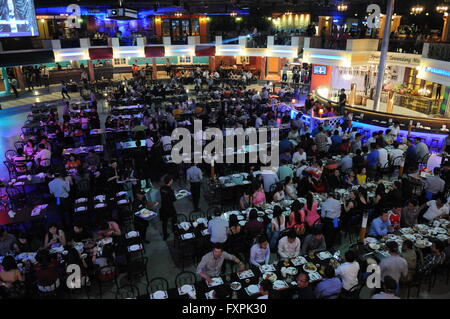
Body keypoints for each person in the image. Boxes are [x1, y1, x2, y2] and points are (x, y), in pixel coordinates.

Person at [160, 175, 177, 241]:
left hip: (163, 207)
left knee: (164, 222)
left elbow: (165, 193)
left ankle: (165, 235)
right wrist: (174, 193)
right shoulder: (170, 190)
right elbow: (174, 199)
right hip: (170, 207)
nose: (172, 181)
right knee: (174, 217)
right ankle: (174, 230)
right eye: (171, 180)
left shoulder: (161, 188)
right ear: (169, 181)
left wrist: (172, 192)